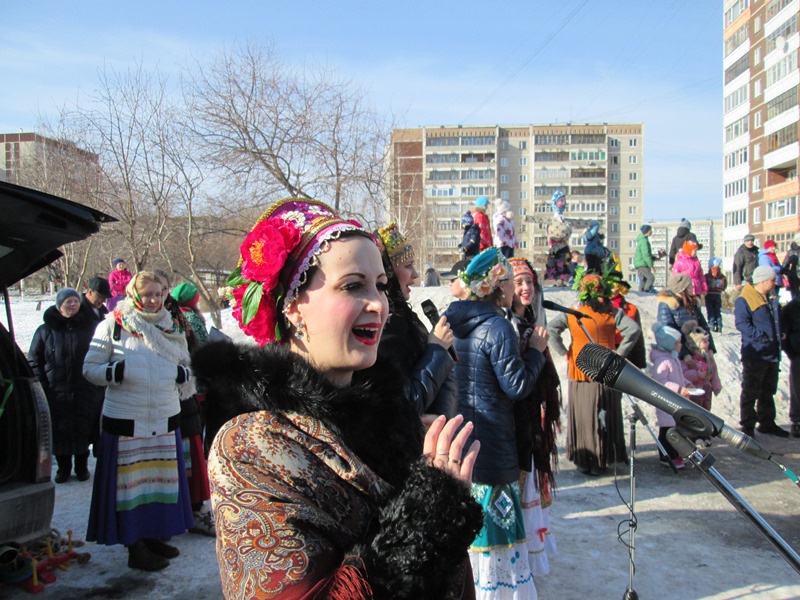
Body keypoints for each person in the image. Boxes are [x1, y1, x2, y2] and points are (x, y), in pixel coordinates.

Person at [192, 199, 483, 599]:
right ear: (293, 306)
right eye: (352, 285)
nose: (379, 303)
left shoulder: (389, 415)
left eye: (381, 285)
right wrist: (430, 511)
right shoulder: (249, 446)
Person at [444, 247, 549, 598]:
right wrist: (535, 350)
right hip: (494, 445)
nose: (510, 289)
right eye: (507, 281)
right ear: (495, 286)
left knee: (471, 539)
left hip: (462, 441)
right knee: (498, 539)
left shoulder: (452, 321)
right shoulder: (498, 327)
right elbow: (516, 386)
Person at [83, 272, 195, 571]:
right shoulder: (114, 325)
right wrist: (114, 373)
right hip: (126, 421)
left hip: (164, 416)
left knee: (160, 483)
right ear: (134, 295)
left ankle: (154, 536)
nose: (154, 299)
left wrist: (184, 375)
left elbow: (186, 364)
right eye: (147, 294)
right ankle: (135, 547)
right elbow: (89, 368)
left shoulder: (171, 326)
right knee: (131, 488)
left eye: (159, 293)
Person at [547, 269, 641, 475]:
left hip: (580, 368)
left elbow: (551, 330)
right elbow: (633, 330)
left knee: (583, 415)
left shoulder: (572, 312)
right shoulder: (611, 312)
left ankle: (584, 459)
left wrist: (565, 352)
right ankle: (604, 458)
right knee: (605, 412)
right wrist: (619, 354)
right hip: (608, 368)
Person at [363, 222, 456, 420]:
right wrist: (437, 351)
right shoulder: (386, 325)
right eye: (408, 266)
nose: (415, 274)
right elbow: (403, 407)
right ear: (387, 273)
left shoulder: (403, 315)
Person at [507, 257, 560, 577]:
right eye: (518, 282)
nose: (526, 288)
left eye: (529, 282)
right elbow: (515, 382)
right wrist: (535, 353)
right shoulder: (508, 326)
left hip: (533, 423)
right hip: (515, 425)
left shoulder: (532, 324)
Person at [29, 288, 103, 483]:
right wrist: (43, 384)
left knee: (82, 429)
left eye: (75, 301)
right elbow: (33, 360)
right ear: (58, 305)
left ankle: (81, 467)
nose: (72, 305)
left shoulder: (91, 327)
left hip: (84, 389)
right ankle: (63, 468)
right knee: (60, 431)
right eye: (68, 302)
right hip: (56, 391)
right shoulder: (45, 330)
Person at [169, 280, 215, 537]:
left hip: (183, 391)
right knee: (192, 447)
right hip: (192, 391)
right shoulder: (190, 321)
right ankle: (194, 506)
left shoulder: (177, 318)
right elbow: (204, 350)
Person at [734, 265, 789, 438]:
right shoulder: (746, 299)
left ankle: (767, 422)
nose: (775, 283)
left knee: (768, 390)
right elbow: (742, 323)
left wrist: (780, 334)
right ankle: (748, 425)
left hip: (772, 352)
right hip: (756, 353)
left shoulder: (770, 297)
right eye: (772, 280)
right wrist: (761, 336)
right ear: (764, 280)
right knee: (751, 390)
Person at [648, 323, 693, 470]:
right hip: (666, 402)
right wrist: (679, 389)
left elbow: (679, 377)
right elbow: (660, 382)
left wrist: (687, 384)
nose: (681, 345)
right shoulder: (663, 361)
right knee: (667, 431)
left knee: (675, 430)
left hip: (675, 402)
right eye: (678, 342)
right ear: (670, 344)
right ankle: (666, 456)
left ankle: (675, 454)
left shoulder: (673, 359)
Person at [657, 273, 716, 357]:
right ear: (683, 288)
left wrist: (710, 347)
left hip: (698, 350)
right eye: (690, 285)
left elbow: (704, 326)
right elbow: (669, 332)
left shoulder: (692, 302)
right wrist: (684, 355)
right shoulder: (667, 304)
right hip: (679, 355)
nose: (693, 287)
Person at [679, 320, 721, 415]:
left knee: (706, 410)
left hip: (707, 389)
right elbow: (684, 374)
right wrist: (697, 374)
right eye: (704, 341)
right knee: (695, 412)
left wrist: (716, 385)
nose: (707, 344)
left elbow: (714, 371)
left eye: (707, 341)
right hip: (695, 390)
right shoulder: (689, 360)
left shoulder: (708, 357)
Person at [610, 278, 647, 369]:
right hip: (606, 353)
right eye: (610, 287)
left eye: (615, 287)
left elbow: (638, 337)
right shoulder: (597, 307)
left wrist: (639, 362)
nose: (613, 290)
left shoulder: (631, 308)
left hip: (626, 354)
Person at [780, 294, 800, 437]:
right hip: (798, 355)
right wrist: (791, 351)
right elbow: (784, 333)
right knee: (798, 389)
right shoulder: (792, 308)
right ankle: (797, 422)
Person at [634, 224, 660, 292]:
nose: (651, 232)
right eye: (650, 230)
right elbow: (646, 254)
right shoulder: (644, 241)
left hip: (639, 263)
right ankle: (646, 291)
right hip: (643, 263)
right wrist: (651, 266)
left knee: (643, 280)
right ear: (647, 231)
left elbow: (646, 254)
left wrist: (654, 258)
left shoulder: (642, 239)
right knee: (650, 278)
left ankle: (641, 293)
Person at [705, 257, 727, 333]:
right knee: (717, 310)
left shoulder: (707, 276)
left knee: (710, 310)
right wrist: (721, 289)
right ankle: (719, 325)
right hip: (717, 294)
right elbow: (724, 285)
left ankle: (711, 325)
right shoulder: (722, 276)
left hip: (709, 294)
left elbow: (704, 284)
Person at [781, 234, 800, 301]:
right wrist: (790, 274)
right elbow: (784, 266)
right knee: (796, 298)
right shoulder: (791, 252)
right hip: (795, 278)